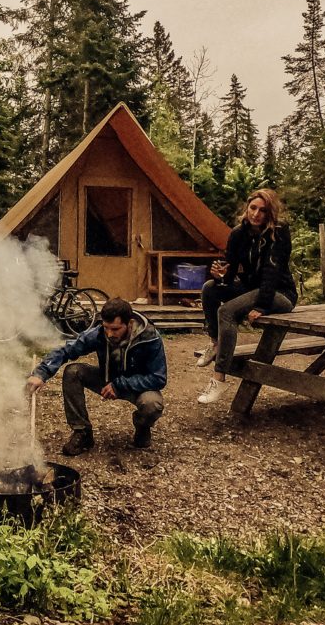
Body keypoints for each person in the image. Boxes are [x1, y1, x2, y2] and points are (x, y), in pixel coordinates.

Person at [26, 297, 167, 456]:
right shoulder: (99, 334)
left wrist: (119, 385)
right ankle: (82, 432)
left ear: (130, 323)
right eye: (106, 327)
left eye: (115, 329)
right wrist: (41, 373)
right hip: (107, 379)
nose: (109, 334)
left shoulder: (150, 338)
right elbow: (66, 350)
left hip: (137, 386)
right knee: (73, 372)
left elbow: (158, 378)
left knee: (152, 404)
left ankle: (142, 427)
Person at [195, 188, 298, 404]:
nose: (256, 214)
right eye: (253, 208)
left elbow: (271, 272)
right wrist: (220, 277)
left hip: (279, 293)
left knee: (226, 311)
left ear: (270, 213)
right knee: (209, 288)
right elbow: (231, 271)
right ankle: (215, 343)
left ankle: (219, 379)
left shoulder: (279, 233)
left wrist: (261, 306)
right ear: (247, 207)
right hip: (252, 289)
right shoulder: (238, 234)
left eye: (263, 210)